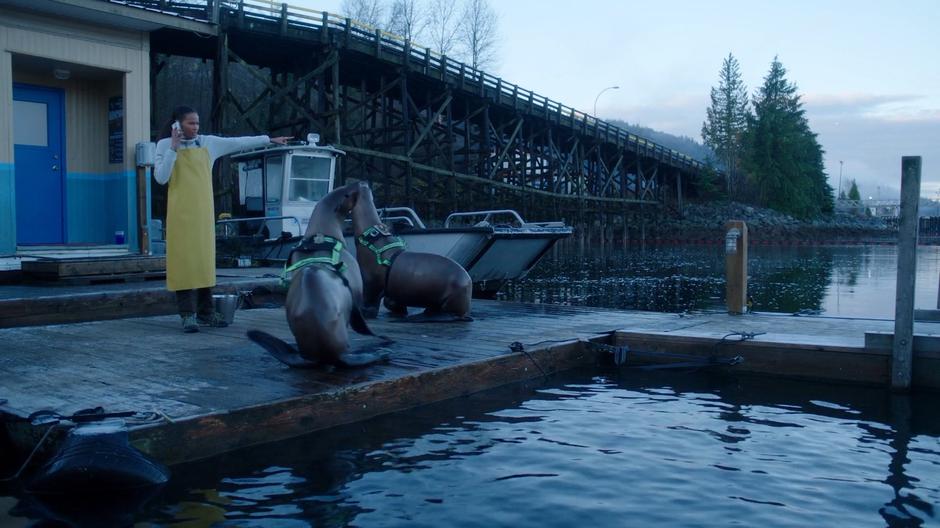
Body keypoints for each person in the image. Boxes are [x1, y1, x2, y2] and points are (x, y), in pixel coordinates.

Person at [154, 106, 290, 332]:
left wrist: (269, 140)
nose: (196, 127)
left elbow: (239, 142)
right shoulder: (163, 146)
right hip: (179, 214)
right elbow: (161, 178)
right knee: (184, 264)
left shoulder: (208, 143)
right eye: (190, 123)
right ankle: (187, 314)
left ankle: (206, 313)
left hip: (203, 213)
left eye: (197, 123)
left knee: (205, 263)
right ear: (177, 125)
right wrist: (173, 149)